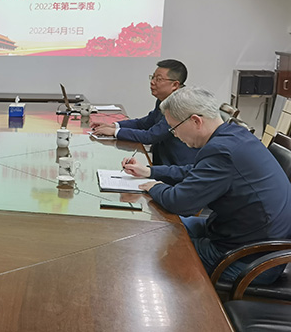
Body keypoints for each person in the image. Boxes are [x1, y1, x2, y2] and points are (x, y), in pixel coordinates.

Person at [122, 87, 291, 284]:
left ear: (195, 121)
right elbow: (196, 172)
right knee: (160, 229)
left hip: (250, 258)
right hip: (245, 238)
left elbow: (181, 202)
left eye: (174, 128)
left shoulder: (221, 151)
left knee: (153, 250)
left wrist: (154, 187)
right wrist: (150, 171)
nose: (174, 135)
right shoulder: (234, 134)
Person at [91, 59, 198, 166]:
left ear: (175, 85)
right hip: (162, 163)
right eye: (153, 77)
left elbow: (151, 136)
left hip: (178, 167)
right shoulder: (164, 99)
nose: (152, 82)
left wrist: (115, 132)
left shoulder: (179, 105)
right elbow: (144, 123)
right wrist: (114, 126)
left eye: (159, 79)